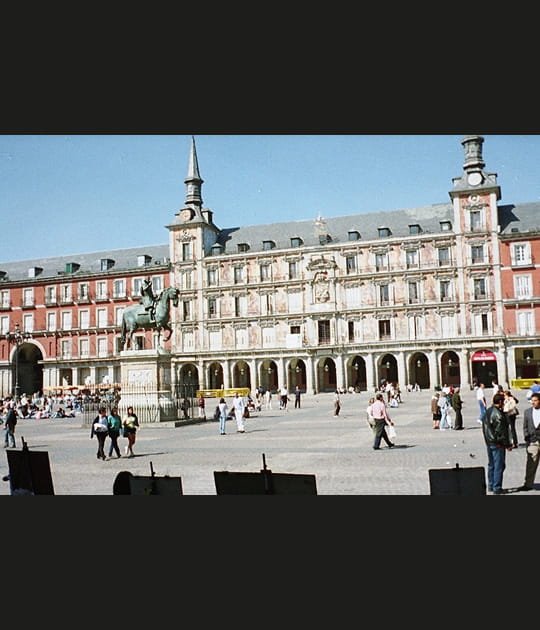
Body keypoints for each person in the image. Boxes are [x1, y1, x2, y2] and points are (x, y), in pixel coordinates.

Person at [481, 392, 513, 494]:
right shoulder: (498, 415)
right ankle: (497, 487)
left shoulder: (488, 411)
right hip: (497, 443)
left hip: (489, 442)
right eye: (503, 402)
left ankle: (491, 485)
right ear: (500, 402)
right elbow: (501, 432)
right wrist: (507, 444)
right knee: (499, 465)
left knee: (491, 465)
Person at [518, 392, 540, 491]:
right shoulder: (527, 412)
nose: (533, 402)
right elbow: (525, 426)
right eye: (532, 401)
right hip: (533, 441)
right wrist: (527, 437)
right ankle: (528, 484)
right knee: (531, 464)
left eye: (535, 400)